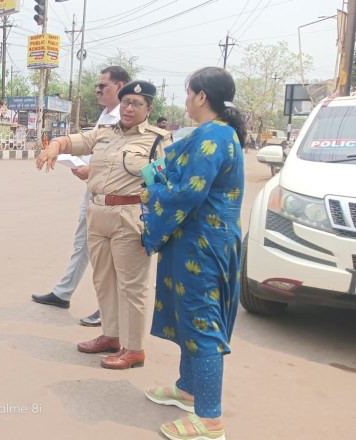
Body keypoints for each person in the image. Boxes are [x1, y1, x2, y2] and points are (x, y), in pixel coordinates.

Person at [139, 67, 245, 440]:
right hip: (194, 241)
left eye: (188, 93)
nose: (185, 101)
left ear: (202, 96)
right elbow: (175, 177)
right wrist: (155, 176)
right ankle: (188, 390)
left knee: (202, 323)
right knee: (188, 317)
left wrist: (152, 193)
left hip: (203, 245)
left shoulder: (214, 136)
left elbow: (187, 192)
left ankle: (210, 419)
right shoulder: (210, 134)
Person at [36, 79, 172, 369]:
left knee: (131, 286)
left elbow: (165, 184)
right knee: (103, 280)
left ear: (148, 108)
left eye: (137, 104)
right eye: (125, 102)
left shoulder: (158, 140)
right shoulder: (104, 134)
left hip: (129, 217)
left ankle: (133, 349)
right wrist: (54, 146)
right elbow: (74, 141)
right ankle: (111, 336)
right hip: (97, 214)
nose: (129, 108)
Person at [31, 66, 131, 327]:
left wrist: (93, 168)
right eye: (97, 85)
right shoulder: (106, 114)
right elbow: (92, 145)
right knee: (83, 244)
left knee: (110, 253)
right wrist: (61, 147)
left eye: (103, 85)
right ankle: (63, 293)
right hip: (95, 191)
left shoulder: (126, 117)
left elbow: (128, 160)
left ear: (120, 86)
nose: (97, 89)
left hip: (115, 197)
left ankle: (108, 308)